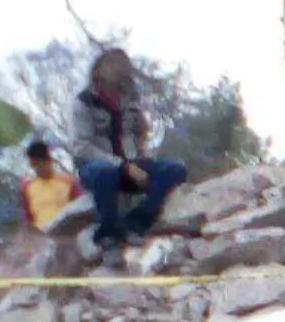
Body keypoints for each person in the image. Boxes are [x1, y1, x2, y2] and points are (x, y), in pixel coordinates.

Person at [71, 47, 188, 270]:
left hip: (131, 162)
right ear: (99, 70)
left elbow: (138, 132)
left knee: (174, 169)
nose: (120, 69)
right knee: (105, 173)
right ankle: (108, 238)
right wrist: (122, 166)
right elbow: (81, 147)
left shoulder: (130, 97)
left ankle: (134, 223)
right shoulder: (83, 102)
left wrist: (141, 147)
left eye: (123, 64)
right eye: (114, 64)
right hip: (97, 169)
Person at [18, 140, 83, 232]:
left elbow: (81, 211)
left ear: (48, 160)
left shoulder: (69, 182)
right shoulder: (26, 187)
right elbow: (27, 219)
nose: (38, 168)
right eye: (34, 165)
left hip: (66, 235)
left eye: (40, 163)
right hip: (41, 237)